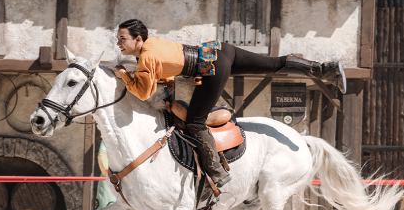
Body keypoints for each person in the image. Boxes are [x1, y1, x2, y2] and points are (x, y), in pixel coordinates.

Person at [113, 18, 345, 194]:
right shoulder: (154, 45)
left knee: (194, 121)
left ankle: (217, 171)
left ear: (138, 40)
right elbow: (167, 72)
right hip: (222, 50)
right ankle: (325, 69)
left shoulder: (146, 57)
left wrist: (124, 75)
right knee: (273, 64)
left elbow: (143, 92)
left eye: (122, 38)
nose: (118, 43)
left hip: (211, 67)